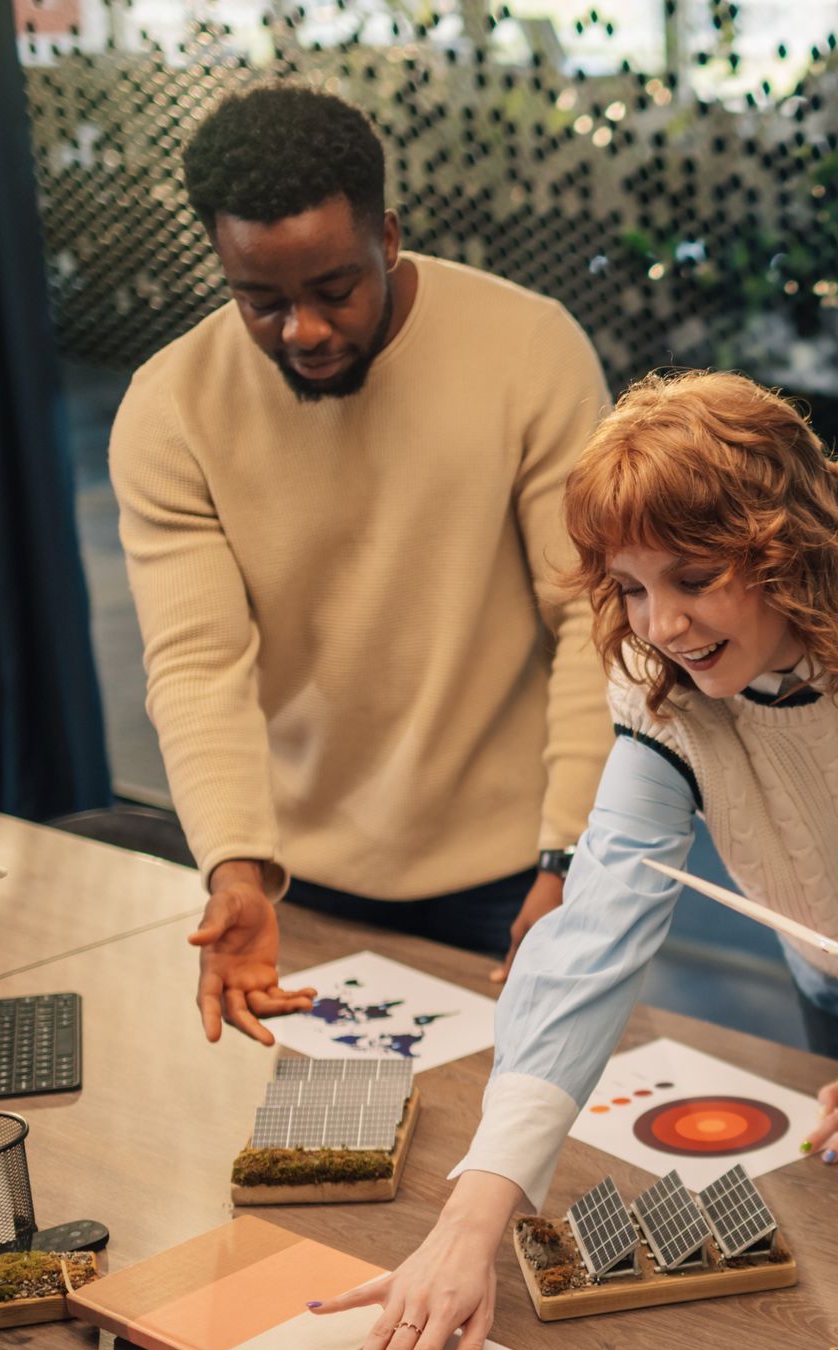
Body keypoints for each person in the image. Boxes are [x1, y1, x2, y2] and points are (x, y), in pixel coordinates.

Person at [313, 371, 838, 1350]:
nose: (663, 625)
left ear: (783, 545)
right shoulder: (655, 685)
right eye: (632, 589)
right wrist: (472, 1219)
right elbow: (596, 927)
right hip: (837, 937)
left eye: (693, 578)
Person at [111, 87, 613, 1044]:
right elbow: (196, 667)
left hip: (521, 867)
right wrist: (235, 867)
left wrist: (572, 856)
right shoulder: (169, 409)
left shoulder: (528, 350)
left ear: (386, 237)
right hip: (299, 878)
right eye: (261, 300)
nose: (301, 329)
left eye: (332, 290)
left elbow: (591, 620)